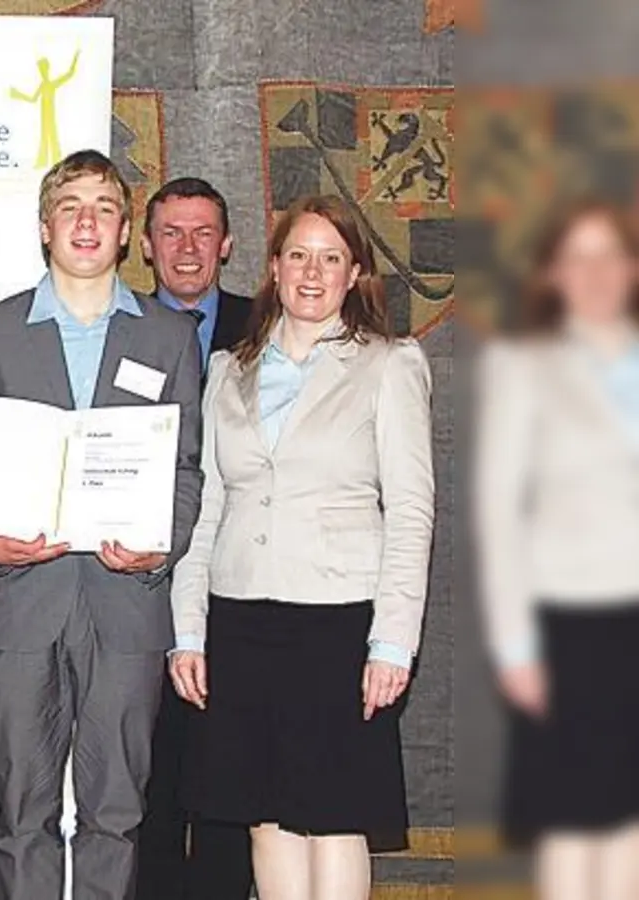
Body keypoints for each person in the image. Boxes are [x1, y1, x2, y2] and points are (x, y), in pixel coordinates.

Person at [0, 149, 204, 900]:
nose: (86, 222)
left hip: (125, 607)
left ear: (125, 232)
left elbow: (186, 469)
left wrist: (160, 547)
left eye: (102, 207)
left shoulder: (169, 336)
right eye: (71, 207)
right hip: (15, 601)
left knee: (116, 814)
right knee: (20, 815)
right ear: (44, 228)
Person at [169, 194, 434, 900]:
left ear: (354, 275)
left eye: (331, 258)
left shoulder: (390, 365)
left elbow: (412, 512)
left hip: (339, 623)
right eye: (298, 256)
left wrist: (393, 643)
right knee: (264, 818)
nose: (312, 274)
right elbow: (208, 505)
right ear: (274, 268)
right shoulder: (228, 369)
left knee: (334, 820)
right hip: (240, 619)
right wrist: (187, 630)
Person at [475, 199, 639, 900]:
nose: (596, 272)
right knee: (573, 828)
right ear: (553, 275)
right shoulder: (522, 367)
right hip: (569, 629)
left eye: (610, 255)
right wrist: (516, 647)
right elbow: (498, 513)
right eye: (579, 257)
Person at [135, 176, 255, 900]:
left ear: (228, 246)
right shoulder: (115, 328)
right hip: (139, 582)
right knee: (145, 777)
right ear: (144, 247)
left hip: (240, 585)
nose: (186, 249)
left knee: (230, 783)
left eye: (202, 233)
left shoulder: (269, 324)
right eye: (171, 233)